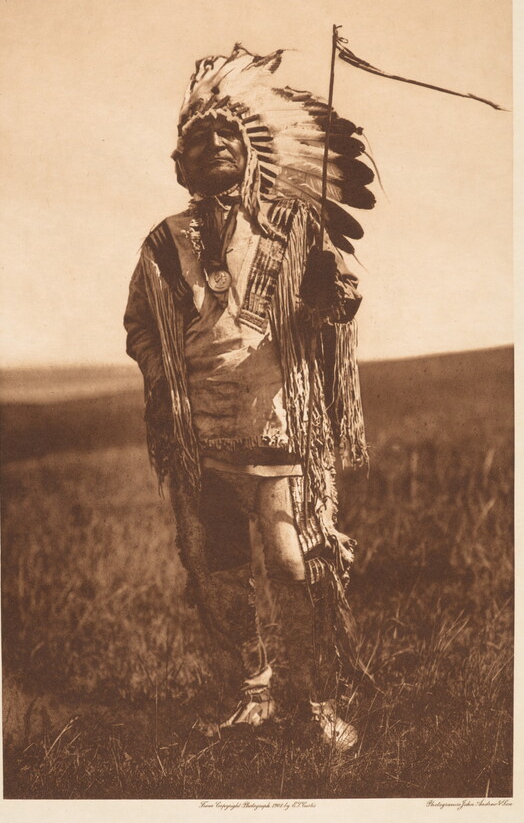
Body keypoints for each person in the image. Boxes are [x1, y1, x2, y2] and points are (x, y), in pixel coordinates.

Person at [124, 43, 375, 749]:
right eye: (197, 140)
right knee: (221, 572)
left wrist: (332, 298)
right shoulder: (163, 242)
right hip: (201, 435)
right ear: (182, 164)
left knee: (296, 564)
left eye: (225, 133)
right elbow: (141, 326)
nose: (212, 145)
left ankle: (318, 696)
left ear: (251, 150)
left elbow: (333, 309)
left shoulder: (296, 227)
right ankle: (255, 692)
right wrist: (166, 378)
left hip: (279, 426)